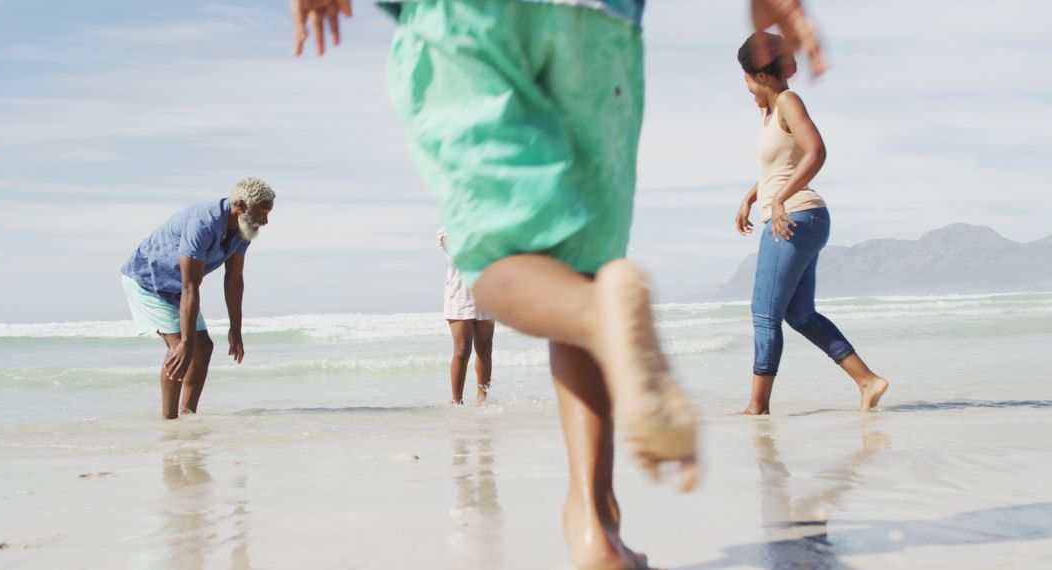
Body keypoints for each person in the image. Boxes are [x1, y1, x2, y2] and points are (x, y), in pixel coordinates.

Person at [292, 1, 825, 567]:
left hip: (472, 18)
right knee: (579, 270)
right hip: (601, 28)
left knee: (499, 257)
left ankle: (599, 318)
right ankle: (599, 532)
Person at [734, 32, 889, 416]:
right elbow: (783, 164)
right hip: (802, 217)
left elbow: (816, 151)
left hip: (794, 217)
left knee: (764, 313)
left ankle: (757, 407)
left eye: (748, 80)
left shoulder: (787, 101)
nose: (748, 89)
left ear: (763, 76)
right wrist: (752, 195)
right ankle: (868, 381)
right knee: (799, 313)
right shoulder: (770, 112)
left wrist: (781, 199)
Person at [120, 177, 275, 419]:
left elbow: (234, 278)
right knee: (181, 347)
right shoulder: (202, 223)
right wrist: (185, 344)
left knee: (203, 347)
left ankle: (188, 417)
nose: (265, 220)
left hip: (178, 288)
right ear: (242, 205)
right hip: (148, 281)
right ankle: (170, 423)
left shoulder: (244, 230)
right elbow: (190, 286)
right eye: (262, 212)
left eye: (268, 213)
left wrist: (236, 328)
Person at [438, 228, 495, 404]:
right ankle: (457, 401)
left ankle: (482, 399)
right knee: (462, 350)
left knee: (485, 349)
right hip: (460, 295)